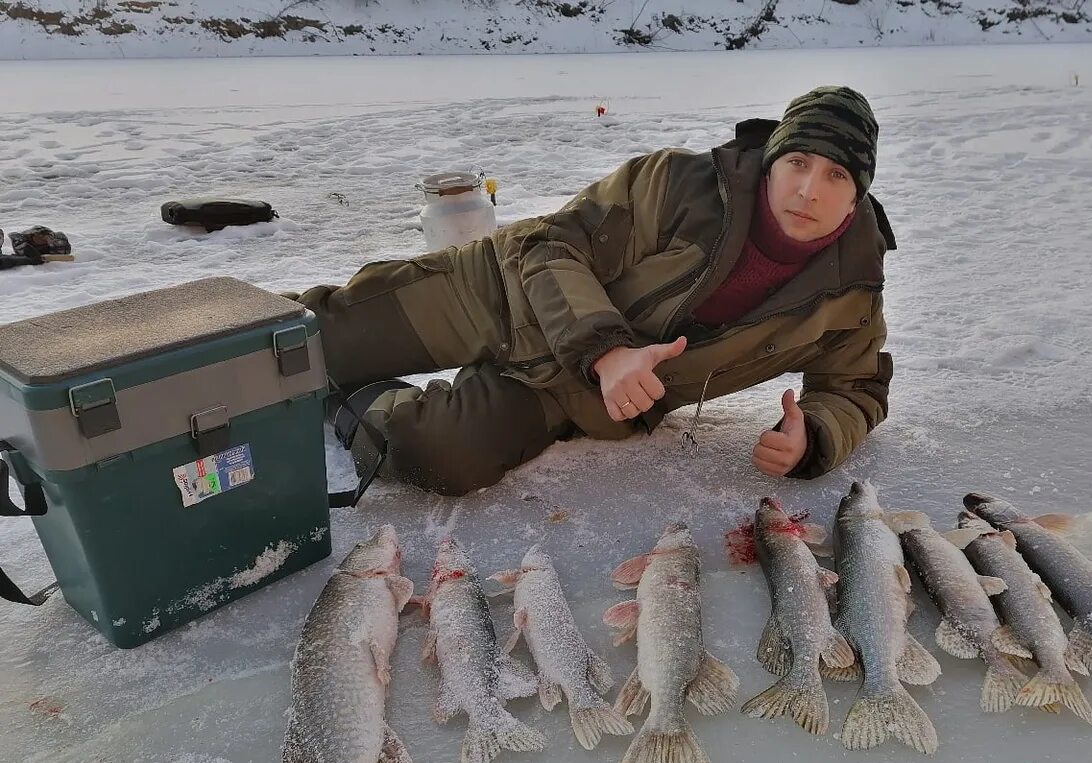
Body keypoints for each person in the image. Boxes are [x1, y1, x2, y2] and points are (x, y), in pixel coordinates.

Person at [291, 85, 895, 496]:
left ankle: (343, 404)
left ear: (858, 192)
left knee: (440, 455)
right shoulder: (680, 184)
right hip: (500, 293)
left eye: (836, 175)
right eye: (797, 163)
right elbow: (554, 246)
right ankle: (292, 369)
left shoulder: (851, 291)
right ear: (771, 161)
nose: (808, 189)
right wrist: (608, 351)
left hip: (572, 397)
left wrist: (814, 437)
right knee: (301, 343)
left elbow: (856, 387)